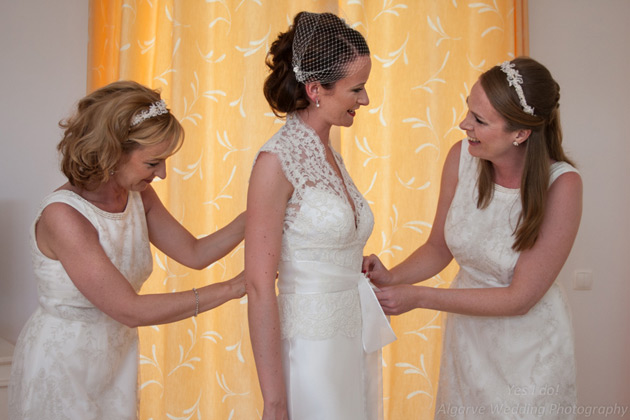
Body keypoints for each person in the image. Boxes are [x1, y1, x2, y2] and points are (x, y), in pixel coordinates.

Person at [8, 80, 246, 420]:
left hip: (116, 359)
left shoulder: (138, 197)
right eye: (153, 163)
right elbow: (129, 309)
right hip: (63, 363)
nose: (162, 173)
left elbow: (195, 253)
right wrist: (232, 288)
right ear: (112, 152)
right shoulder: (63, 216)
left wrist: (254, 216)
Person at [363, 57, 581, 419]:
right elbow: (439, 248)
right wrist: (392, 277)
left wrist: (417, 297)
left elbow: (519, 299)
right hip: (469, 343)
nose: (465, 125)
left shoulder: (562, 185)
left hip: (528, 351)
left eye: (479, 120)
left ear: (520, 133)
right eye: (469, 111)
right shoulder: (461, 158)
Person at [246, 11, 395, 420]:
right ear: (316, 89)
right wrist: (274, 399)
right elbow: (259, 286)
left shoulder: (330, 153)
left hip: (352, 338)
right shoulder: (276, 161)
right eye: (357, 89)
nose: (365, 100)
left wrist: (354, 264)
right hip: (310, 352)